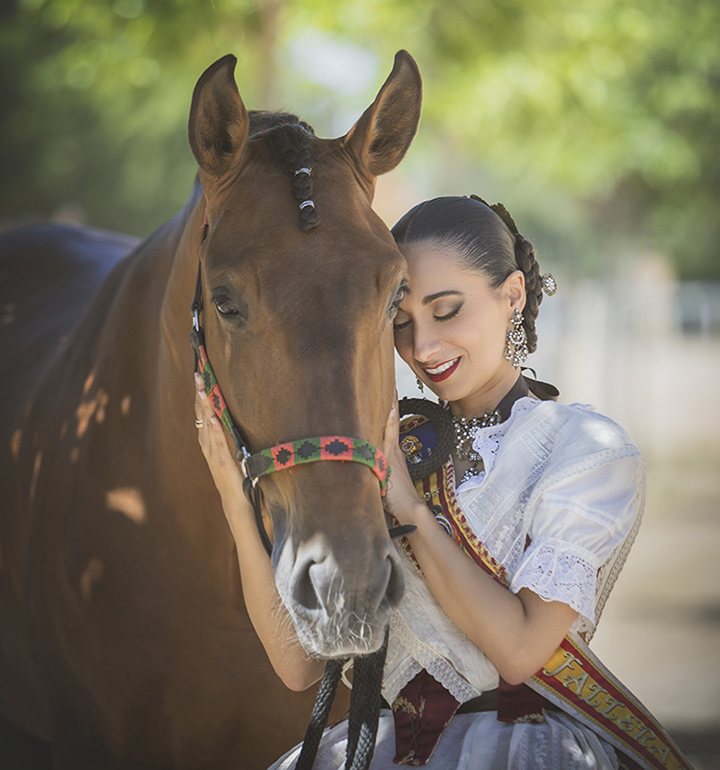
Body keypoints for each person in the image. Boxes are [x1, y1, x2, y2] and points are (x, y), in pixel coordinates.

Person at [194, 195, 686, 770]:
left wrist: (410, 508)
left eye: (446, 310)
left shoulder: (582, 449)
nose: (422, 348)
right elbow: (299, 664)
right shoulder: (382, 450)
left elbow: (522, 651)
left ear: (513, 296)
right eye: (399, 323)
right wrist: (234, 496)